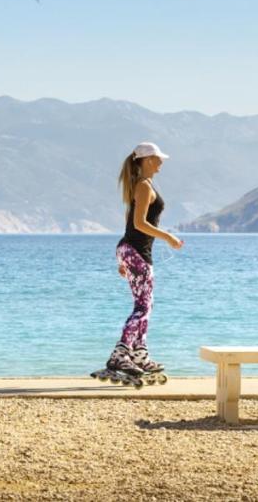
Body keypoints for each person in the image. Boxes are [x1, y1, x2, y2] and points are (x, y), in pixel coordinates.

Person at [96, 141, 184, 385]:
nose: (161, 163)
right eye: (157, 159)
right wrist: (168, 237)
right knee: (143, 308)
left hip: (130, 250)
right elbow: (138, 224)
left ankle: (140, 354)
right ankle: (120, 354)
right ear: (146, 160)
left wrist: (121, 257)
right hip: (136, 252)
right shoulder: (143, 186)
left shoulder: (140, 185)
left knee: (145, 305)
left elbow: (128, 223)